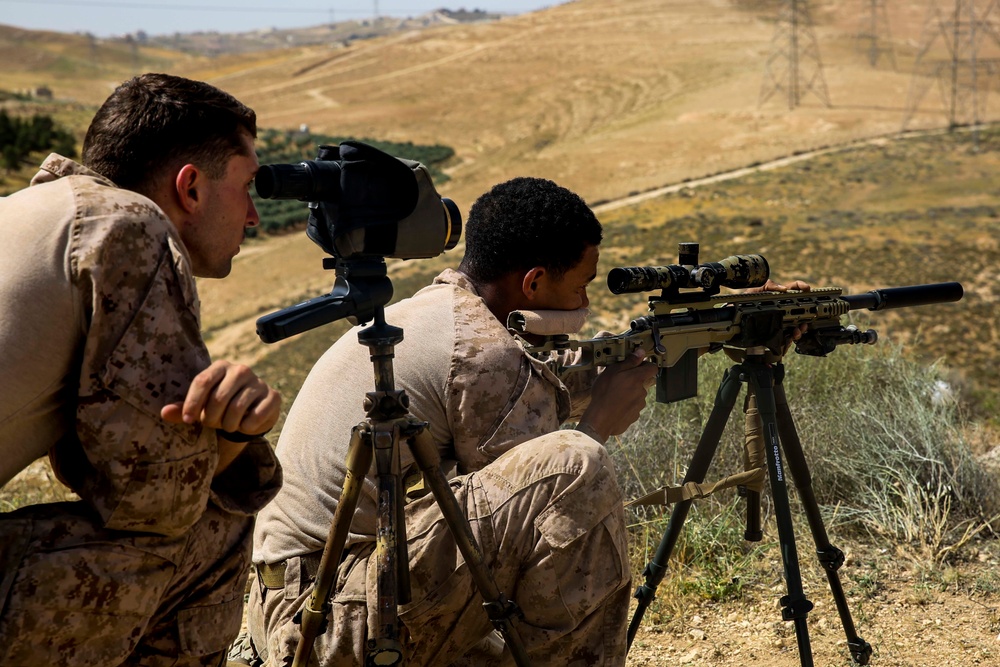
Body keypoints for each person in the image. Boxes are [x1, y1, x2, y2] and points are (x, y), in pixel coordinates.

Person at [245, 176, 660, 666]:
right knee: (576, 464)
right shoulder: (483, 355)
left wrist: (657, 343)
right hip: (328, 623)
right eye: (581, 286)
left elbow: (547, 372)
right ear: (533, 282)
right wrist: (596, 426)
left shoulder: (447, 315)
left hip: (292, 599)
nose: (585, 306)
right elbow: (543, 505)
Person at [0, 73, 283, 665]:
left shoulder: (41, 211)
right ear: (191, 188)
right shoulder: (128, 226)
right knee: (213, 531)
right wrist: (236, 432)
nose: (254, 215)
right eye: (247, 185)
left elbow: (94, 465)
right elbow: (155, 501)